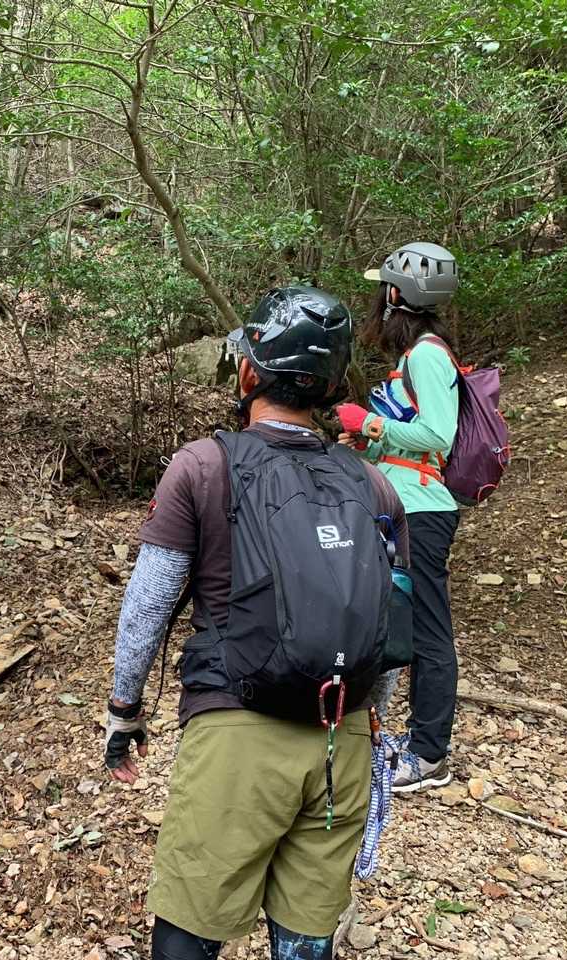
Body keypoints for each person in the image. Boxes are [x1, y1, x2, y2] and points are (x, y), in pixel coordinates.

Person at [104, 287, 409, 960]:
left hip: (236, 731)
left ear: (248, 372)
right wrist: (368, 724)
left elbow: (148, 605)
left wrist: (125, 711)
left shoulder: (203, 466)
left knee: (192, 926)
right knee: (304, 937)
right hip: (341, 741)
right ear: (332, 386)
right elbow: (389, 632)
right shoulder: (375, 485)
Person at [335, 241, 460, 793]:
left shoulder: (428, 355)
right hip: (401, 503)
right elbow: (411, 440)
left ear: (395, 294)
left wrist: (370, 424)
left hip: (424, 510)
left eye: (382, 288)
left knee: (428, 630)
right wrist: (367, 442)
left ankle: (430, 755)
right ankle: (377, 730)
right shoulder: (413, 357)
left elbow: (438, 436)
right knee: (389, 620)